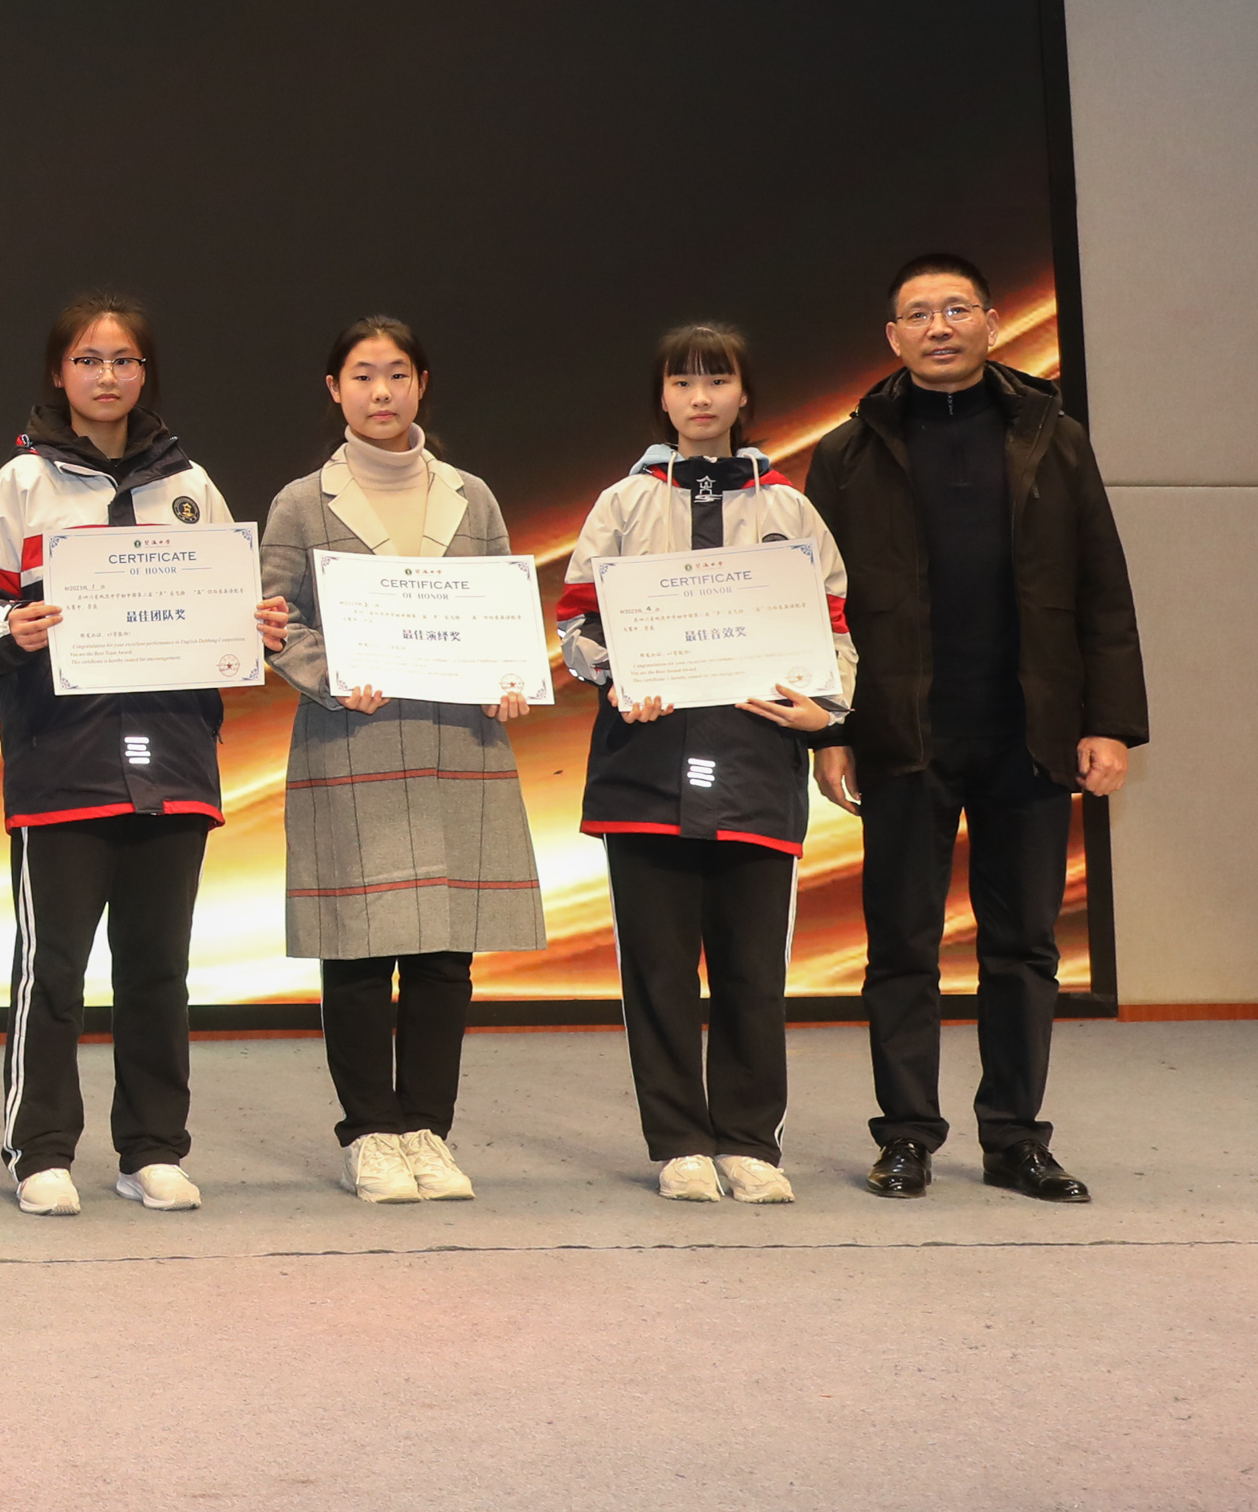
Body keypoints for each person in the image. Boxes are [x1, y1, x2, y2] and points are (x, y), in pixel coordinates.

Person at [799, 253, 1146, 1205]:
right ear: (893, 336)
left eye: (957, 309)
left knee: (1023, 946)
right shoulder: (848, 451)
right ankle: (906, 1135)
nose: (939, 327)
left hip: (1028, 730)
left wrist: (1110, 724)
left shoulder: (1052, 437)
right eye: (919, 314)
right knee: (901, 946)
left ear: (992, 322)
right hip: (900, 731)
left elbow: (1102, 589)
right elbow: (813, 605)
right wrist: (830, 732)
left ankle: (1015, 1139)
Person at [0, 294, 291, 1219]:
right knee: (52, 970)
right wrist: (10, 626)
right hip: (62, 763)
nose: (108, 376)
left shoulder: (192, 485)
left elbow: (233, 610)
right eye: (89, 360)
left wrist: (256, 625)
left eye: (125, 360)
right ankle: (40, 1152)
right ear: (59, 374)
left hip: (173, 762)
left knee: (158, 970)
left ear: (146, 373)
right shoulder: (23, 483)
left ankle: (152, 1149)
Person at [555, 323, 853, 1204]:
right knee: (658, 970)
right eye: (682, 382)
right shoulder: (622, 503)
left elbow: (834, 626)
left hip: (758, 760)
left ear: (743, 395)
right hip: (645, 763)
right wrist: (617, 678)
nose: (699, 397)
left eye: (716, 380)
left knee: (753, 969)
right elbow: (578, 624)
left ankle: (751, 1141)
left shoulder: (790, 508)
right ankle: (680, 1141)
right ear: (662, 398)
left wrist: (827, 712)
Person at [257, 315, 546, 1206]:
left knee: (445, 951)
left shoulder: (473, 496)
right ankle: (370, 1134)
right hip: (353, 738)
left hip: (460, 741)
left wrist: (509, 677)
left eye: (395, 374)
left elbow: (500, 611)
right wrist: (334, 678)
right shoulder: (302, 502)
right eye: (361, 375)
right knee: (357, 946)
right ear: (334, 390)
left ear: (422, 383)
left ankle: (428, 1129)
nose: (380, 391)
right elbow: (273, 621)